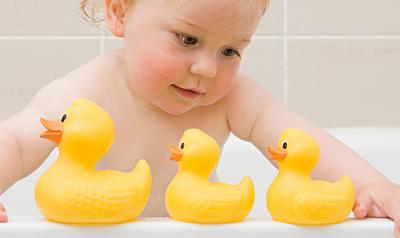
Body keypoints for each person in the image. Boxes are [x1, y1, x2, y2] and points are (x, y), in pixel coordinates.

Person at [0, 0, 399, 236]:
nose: (207, 69)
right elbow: (16, 142)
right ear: (120, 13)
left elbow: (299, 141)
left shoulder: (232, 98)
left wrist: (372, 184)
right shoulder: (86, 92)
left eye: (230, 51)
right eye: (187, 39)